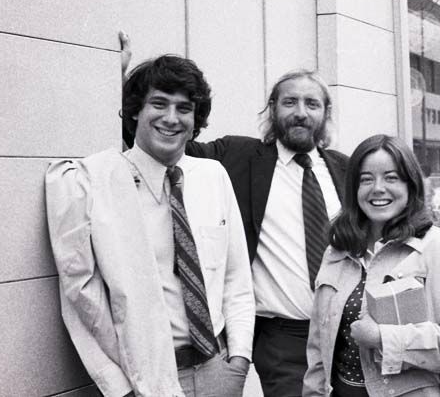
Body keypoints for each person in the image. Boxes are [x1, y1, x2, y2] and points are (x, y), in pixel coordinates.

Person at [120, 35, 348, 397]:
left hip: (348, 329)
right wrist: (121, 82)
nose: (301, 111)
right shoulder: (237, 156)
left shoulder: (346, 170)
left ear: (326, 113)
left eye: (312, 103)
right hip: (284, 340)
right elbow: (163, 138)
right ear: (272, 109)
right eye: (289, 102)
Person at [46, 54, 255, 397]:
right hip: (146, 381)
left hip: (220, 370)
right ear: (135, 111)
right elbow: (80, 299)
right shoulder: (93, 184)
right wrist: (120, 390)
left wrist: (240, 362)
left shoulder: (213, 176)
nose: (171, 118)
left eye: (184, 108)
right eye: (159, 103)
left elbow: (236, 280)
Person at [303, 134, 440, 397]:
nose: (378, 188)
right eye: (366, 179)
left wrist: (381, 338)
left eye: (391, 178)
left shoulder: (436, 246)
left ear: (410, 186)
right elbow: (318, 347)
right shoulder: (338, 248)